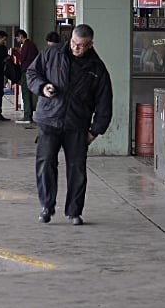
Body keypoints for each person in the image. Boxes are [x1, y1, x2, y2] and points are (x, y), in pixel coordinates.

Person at [27, 23, 114, 225]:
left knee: (77, 169)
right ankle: (46, 206)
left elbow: (104, 102)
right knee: (46, 163)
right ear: (70, 38)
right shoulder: (51, 54)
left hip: (77, 125)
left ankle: (74, 211)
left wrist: (94, 131)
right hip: (49, 120)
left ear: (90, 45)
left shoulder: (97, 68)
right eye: (74, 43)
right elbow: (32, 74)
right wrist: (43, 87)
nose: (77, 48)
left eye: (82, 45)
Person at [11, 28, 40, 124]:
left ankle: (27, 116)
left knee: (25, 93)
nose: (17, 40)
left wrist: (14, 53)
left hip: (26, 72)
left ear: (20, 36)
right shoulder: (32, 44)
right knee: (29, 94)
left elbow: (22, 58)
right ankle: (29, 115)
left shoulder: (26, 45)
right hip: (32, 71)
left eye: (17, 38)